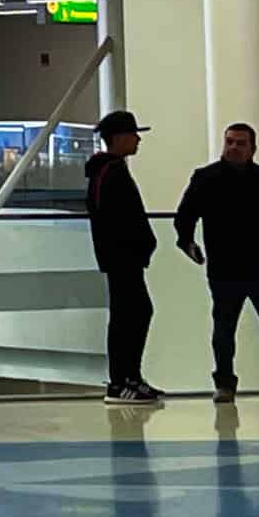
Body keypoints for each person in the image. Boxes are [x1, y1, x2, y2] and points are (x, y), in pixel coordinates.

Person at [176, 122, 259, 407]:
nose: (234, 148)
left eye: (240, 143)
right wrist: (187, 243)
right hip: (224, 268)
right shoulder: (206, 178)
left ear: (252, 148)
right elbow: (185, 215)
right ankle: (224, 384)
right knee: (224, 329)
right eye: (230, 142)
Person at [86, 110, 163, 403]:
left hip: (121, 257)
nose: (138, 139)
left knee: (133, 312)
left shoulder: (105, 170)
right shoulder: (110, 172)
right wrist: (139, 245)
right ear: (118, 138)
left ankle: (129, 376)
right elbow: (119, 218)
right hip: (122, 258)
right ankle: (122, 380)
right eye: (133, 134)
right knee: (131, 314)